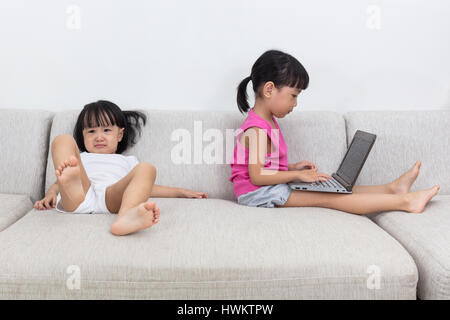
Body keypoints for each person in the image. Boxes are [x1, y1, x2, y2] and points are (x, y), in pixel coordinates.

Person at [230, 49, 439, 214]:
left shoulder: (268, 121)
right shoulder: (257, 128)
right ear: (269, 90)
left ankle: (392, 189)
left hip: (265, 188)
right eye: (293, 95)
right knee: (332, 198)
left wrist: (293, 167)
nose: (295, 103)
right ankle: (407, 201)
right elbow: (257, 176)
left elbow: (265, 164)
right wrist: (296, 175)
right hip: (257, 193)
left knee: (332, 188)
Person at [34, 100, 208, 236]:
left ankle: (126, 216)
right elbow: (58, 183)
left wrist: (180, 192)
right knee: (62, 140)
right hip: (80, 194)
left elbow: (144, 187)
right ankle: (72, 183)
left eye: (106, 130)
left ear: (120, 135)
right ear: (83, 136)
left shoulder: (127, 161)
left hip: (111, 197)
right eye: (91, 131)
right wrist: (50, 194)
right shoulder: (80, 158)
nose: (99, 137)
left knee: (146, 169)